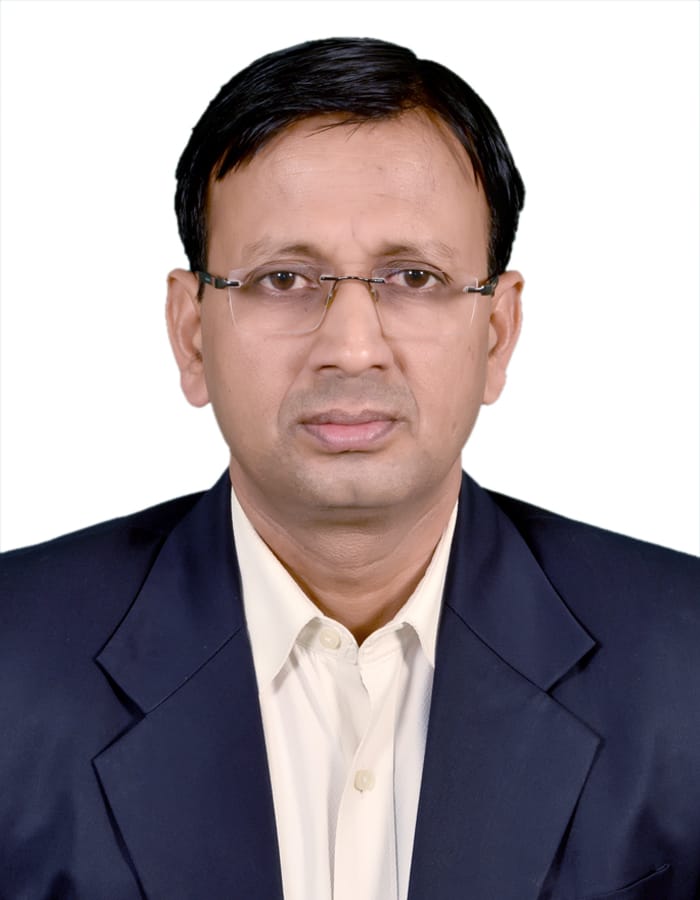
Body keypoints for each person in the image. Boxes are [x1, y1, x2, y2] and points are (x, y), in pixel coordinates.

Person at [0, 35, 698, 900]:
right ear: (191, 333)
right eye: (284, 280)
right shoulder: (14, 661)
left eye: (414, 277)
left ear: (496, 334)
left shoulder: (684, 664)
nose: (353, 347)